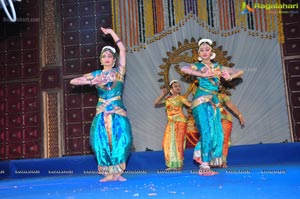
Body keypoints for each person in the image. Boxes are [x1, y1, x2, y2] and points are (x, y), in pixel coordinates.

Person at [70, 27, 132, 182]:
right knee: (100, 141)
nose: (107, 58)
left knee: (124, 140)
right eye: (104, 56)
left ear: (114, 59)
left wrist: (111, 33)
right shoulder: (96, 74)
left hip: (118, 111)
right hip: (102, 111)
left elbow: (123, 50)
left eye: (110, 56)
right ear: (100, 60)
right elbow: (74, 81)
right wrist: (93, 81)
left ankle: (117, 172)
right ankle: (109, 173)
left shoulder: (119, 72)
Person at [181, 38, 243, 176]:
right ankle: (204, 167)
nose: (204, 52)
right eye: (201, 50)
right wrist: (201, 73)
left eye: (207, 49)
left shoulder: (218, 67)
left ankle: (206, 162)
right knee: (206, 131)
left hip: (214, 102)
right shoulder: (198, 65)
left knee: (216, 133)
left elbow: (239, 71)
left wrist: (229, 76)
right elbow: (183, 68)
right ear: (198, 53)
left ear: (211, 53)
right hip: (201, 100)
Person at [154, 80, 191, 170]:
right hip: (171, 123)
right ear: (171, 89)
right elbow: (156, 102)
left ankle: (179, 165)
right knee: (167, 143)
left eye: (179, 86)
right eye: (175, 86)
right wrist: (163, 94)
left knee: (178, 143)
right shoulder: (168, 99)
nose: (178, 87)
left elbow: (190, 105)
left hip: (180, 122)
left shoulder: (181, 98)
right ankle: (173, 164)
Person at [218, 79, 245, 168]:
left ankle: (223, 161)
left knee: (224, 140)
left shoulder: (222, 96)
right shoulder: (205, 96)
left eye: (219, 84)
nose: (218, 86)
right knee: (212, 140)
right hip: (211, 121)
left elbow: (231, 105)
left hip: (223, 119)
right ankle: (212, 161)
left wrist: (239, 115)